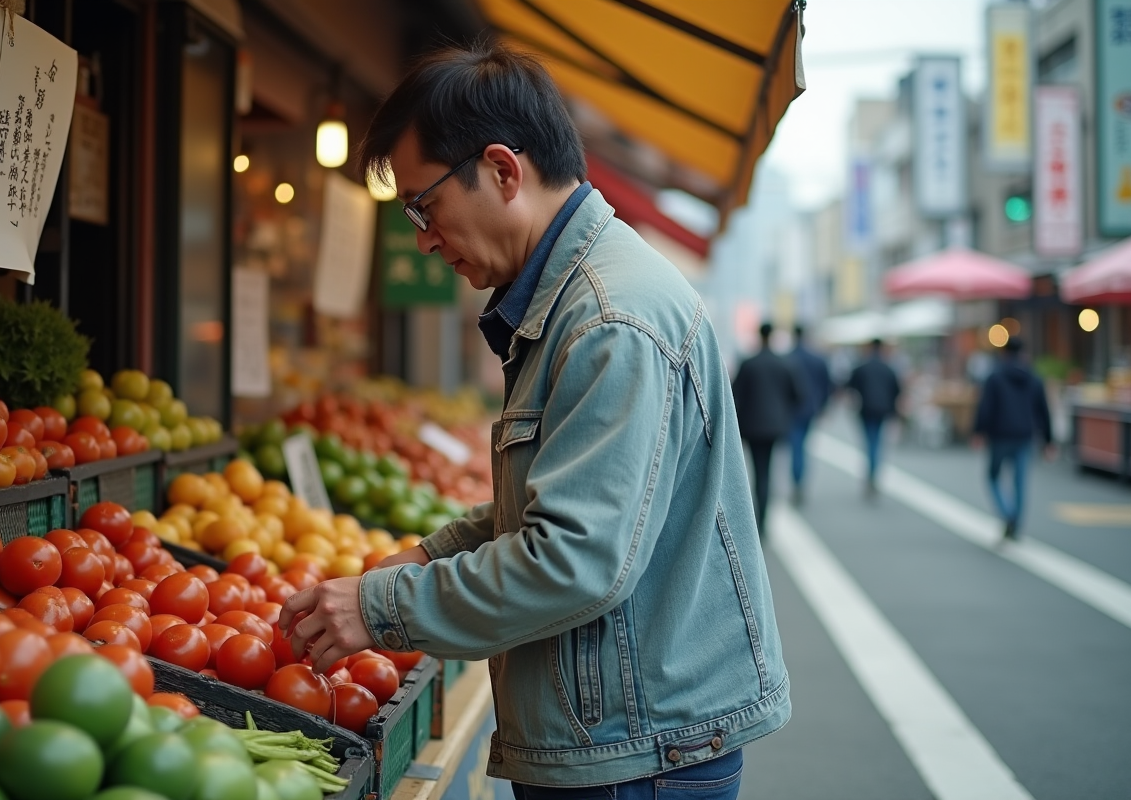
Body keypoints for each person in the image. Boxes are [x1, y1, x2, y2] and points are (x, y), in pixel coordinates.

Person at [278, 43, 789, 797]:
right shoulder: (584, 297)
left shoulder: (607, 319)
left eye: (425, 205)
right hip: (633, 733)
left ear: (503, 171)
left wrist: (382, 608)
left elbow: (576, 558)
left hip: (635, 753)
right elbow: (566, 501)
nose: (423, 237)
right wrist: (431, 556)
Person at [972, 337, 1055, 541]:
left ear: (1004, 352)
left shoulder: (995, 376)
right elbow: (1043, 410)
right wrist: (1048, 440)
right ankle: (1016, 521)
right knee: (1020, 481)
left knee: (993, 476)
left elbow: (985, 407)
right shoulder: (1034, 377)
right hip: (1025, 435)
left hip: (1000, 435)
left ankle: (1007, 513)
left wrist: (978, 431)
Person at [732, 323, 802, 534]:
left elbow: (735, 396)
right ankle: (764, 518)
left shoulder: (748, 363)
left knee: (758, 470)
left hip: (752, 427)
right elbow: (798, 395)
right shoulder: (784, 363)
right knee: (768, 470)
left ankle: (758, 516)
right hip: (775, 426)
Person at [847, 338, 901, 498]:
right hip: (883, 410)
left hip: (866, 409)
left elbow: (851, 386)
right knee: (877, 442)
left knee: (870, 442)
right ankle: (873, 475)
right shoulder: (888, 368)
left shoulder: (862, 367)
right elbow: (897, 390)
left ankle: (871, 474)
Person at [786, 325, 833, 506]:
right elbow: (827, 384)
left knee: (795, 446)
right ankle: (800, 481)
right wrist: (823, 406)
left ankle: (797, 481)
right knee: (803, 446)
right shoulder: (817, 359)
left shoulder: (788, 357)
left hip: (791, 410)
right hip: (810, 409)